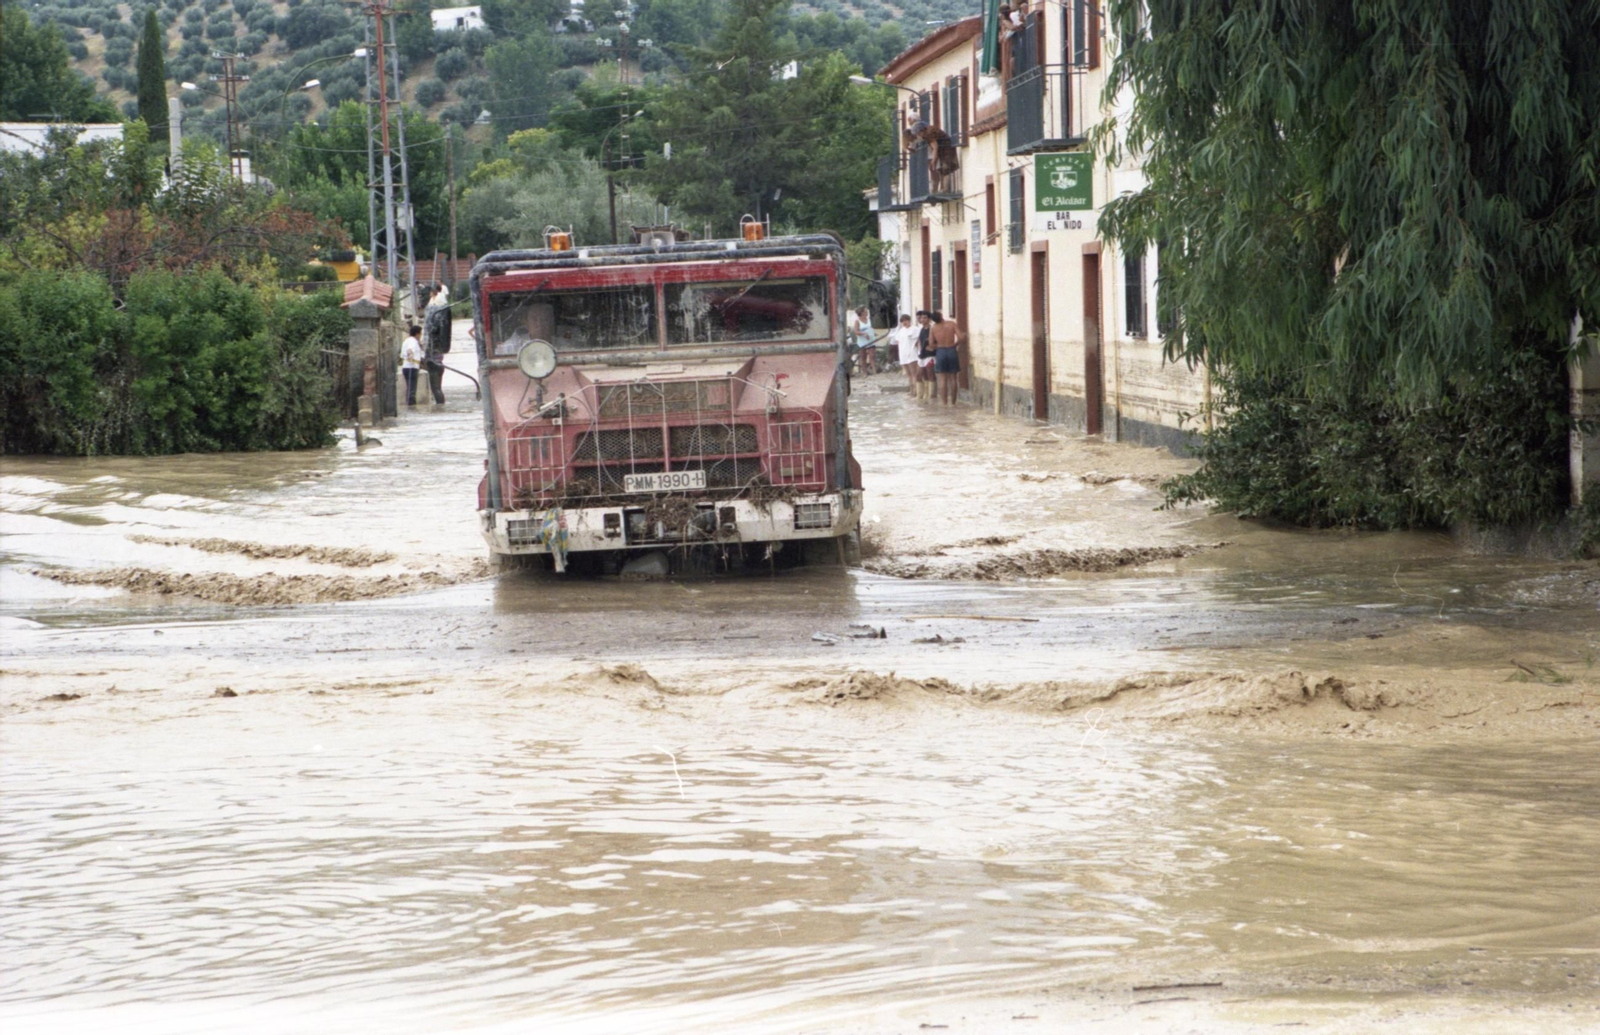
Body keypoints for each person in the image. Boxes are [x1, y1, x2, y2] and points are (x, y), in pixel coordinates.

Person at [909, 120, 959, 194]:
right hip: (944, 150)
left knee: (945, 170)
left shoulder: (929, 133)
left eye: (919, 133)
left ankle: (945, 190)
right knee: (943, 170)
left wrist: (933, 160)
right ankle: (944, 189)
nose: (919, 135)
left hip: (946, 150)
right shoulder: (929, 130)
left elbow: (935, 147)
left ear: (921, 130)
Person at [421, 283, 450, 405]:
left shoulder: (435, 309)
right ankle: (441, 406)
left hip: (435, 365)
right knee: (437, 389)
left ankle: (440, 407)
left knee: (435, 389)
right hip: (438, 364)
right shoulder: (435, 306)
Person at [930, 311, 963, 405]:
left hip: (941, 352)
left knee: (942, 379)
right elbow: (961, 337)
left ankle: (944, 403)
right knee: (953, 378)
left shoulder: (933, 328)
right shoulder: (951, 324)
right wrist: (955, 345)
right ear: (941, 316)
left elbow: (931, 344)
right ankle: (953, 402)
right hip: (952, 350)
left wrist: (939, 345)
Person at [892, 313, 920, 391]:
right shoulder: (901, 331)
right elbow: (898, 341)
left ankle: (916, 390)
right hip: (903, 354)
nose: (904, 322)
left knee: (914, 373)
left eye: (906, 320)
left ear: (909, 321)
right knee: (908, 374)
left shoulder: (915, 329)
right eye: (903, 321)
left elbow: (918, 340)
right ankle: (911, 390)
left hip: (912, 354)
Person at [399, 323, 423, 406]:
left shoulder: (407, 340)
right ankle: (412, 406)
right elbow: (410, 350)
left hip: (406, 367)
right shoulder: (413, 341)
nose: (421, 335)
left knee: (410, 387)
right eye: (420, 333)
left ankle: (410, 405)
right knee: (412, 389)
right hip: (411, 368)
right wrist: (411, 356)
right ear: (417, 333)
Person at [915, 310, 936, 401]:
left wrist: (933, 347)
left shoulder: (932, 329)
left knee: (930, 373)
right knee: (919, 375)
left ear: (929, 319)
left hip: (930, 355)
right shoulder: (922, 330)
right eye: (921, 318)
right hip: (922, 355)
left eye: (924, 318)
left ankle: (931, 396)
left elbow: (937, 341)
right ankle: (920, 395)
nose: (922, 320)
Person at [849, 306, 877, 374]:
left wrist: (873, 333)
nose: (867, 312)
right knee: (863, 356)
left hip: (870, 339)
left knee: (872, 355)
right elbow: (856, 332)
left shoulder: (869, 320)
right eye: (865, 311)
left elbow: (870, 328)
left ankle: (874, 371)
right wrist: (863, 333)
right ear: (861, 313)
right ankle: (864, 372)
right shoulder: (857, 321)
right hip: (862, 340)